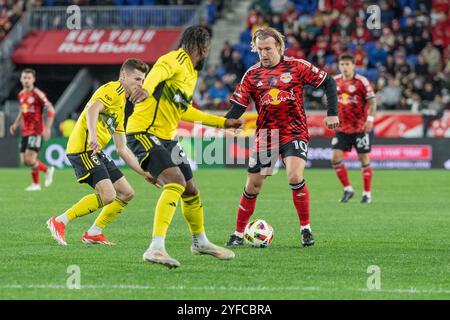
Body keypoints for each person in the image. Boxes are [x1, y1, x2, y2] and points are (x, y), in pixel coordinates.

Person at [127, 26, 242, 269]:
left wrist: (222, 123)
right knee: (175, 183)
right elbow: (159, 69)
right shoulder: (176, 58)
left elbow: (184, 110)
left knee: (190, 190)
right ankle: (155, 248)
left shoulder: (191, 74)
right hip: (144, 133)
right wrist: (146, 87)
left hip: (167, 139)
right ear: (204, 47)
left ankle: (200, 242)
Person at [224, 27, 339, 247]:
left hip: (294, 131)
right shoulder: (252, 74)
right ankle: (238, 234)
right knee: (253, 187)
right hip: (267, 135)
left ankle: (306, 229)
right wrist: (227, 124)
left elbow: (328, 82)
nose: (263, 54)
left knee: (295, 177)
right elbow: (237, 107)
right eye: (259, 50)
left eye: (267, 49)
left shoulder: (297, 67)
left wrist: (332, 112)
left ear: (278, 46)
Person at [46, 58, 152, 246]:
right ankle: (59, 221)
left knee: (127, 193)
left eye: (142, 80)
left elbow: (122, 149)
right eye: (137, 79)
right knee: (109, 195)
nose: (140, 84)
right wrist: (93, 135)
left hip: (96, 151)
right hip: (83, 149)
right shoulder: (113, 89)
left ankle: (94, 232)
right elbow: (92, 109)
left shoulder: (121, 106)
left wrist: (145, 173)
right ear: (123, 76)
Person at [331, 53, 377, 204]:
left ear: (353, 65)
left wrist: (370, 119)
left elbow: (372, 102)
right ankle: (348, 189)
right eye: (342, 64)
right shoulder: (335, 81)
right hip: (342, 128)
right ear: (339, 65)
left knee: (363, 158)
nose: (345, 67)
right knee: (335, 158)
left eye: (347, 64)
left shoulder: (361, 82)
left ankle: (367, 194)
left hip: (360, 128)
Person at [9, 69, 56, 191]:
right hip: (25, 131)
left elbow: (51, 109)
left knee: (30, 159)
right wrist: (15, 123)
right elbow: (22, 110)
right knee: (25, 161)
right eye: (24, 77)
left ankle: (47, 170)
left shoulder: (38, 94)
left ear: (33, 79)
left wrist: (48, 128)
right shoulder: (21, 94)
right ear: (21, 79)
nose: (26, 80)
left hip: (36, 131)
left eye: (29, 78)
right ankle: (36, 184)